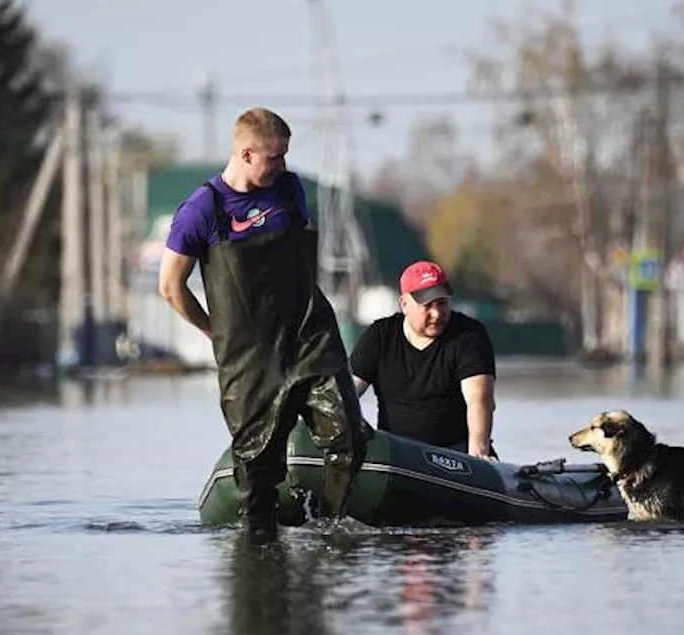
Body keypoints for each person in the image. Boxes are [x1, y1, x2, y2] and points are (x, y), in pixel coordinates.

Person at [158, 107, 367, 535]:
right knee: (256, 470)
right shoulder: (202, 209)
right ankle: (259, 550)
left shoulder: (289, 190)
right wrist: (212, 330)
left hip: (309, 337)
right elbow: (170, 287)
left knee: (349, 436)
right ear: (247, 154)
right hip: (249, 357)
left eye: (286, 155)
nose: (284, 165)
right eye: (276, 157)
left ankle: (327, 529)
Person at [349, 261, 498, 459]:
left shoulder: (469, 334)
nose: (436, 314)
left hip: (456, 454)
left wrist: (478, 456)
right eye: (427, 305)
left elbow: (479, 399)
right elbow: (347, 393)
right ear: (404, 304)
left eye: (442, 303)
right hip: (396, 455)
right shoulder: (380, 336)